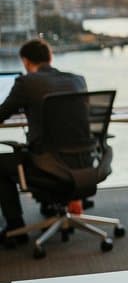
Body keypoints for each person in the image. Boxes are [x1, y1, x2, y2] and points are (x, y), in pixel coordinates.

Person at [0, 38, 87, 247]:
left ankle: (16, 227)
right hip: (83, 162)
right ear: (50, 57)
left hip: (46, 166)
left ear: (26, 62)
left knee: (1, 163)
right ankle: (51, 206)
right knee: (47, 150)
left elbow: (2, 113)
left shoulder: (26, 83)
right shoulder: (78, 80)